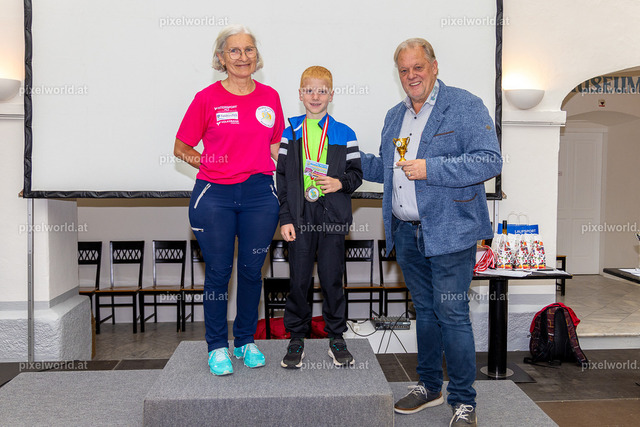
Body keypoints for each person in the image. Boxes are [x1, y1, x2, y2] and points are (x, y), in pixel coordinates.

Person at [360, 38, 502, 426]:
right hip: (406, 232)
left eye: (418, 67)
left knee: (452, 313)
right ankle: (429, 386)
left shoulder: (465, 105)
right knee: (424, 311)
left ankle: (464, 401)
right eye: (404, 70)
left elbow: (490, 161)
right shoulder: (395, 116)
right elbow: (386, 169)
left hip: (451, 231)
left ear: (434, 67)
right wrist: (344, 158)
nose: (411, 76)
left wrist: (431, 169)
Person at [174, 24, 283, 376]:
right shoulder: (206, 98)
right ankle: (217, 346)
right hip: (215, 196)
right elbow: (181, 148)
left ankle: (245, 341)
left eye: (249, 49)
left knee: (252, 270)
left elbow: (276, 148)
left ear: (257, 56)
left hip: (259, 195)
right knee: (219, 273)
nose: (242, 57)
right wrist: (212, 165)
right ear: (221, 58)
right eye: (234, 51)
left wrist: (303, 175)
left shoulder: (270, 97)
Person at [276, 66, 362, 368]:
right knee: (299, 280)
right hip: (300, 217)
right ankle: (296, 337)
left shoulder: (345, 133)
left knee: (332, 279)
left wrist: (340, 183)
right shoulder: (290, 132)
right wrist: (285, 217)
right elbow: (281, 178)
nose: (315, 96)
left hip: (332, 217)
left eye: (322, 91)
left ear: (331, 95)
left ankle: (336, 337)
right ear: (300, 94)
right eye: (309, 90)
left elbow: (356, 174)